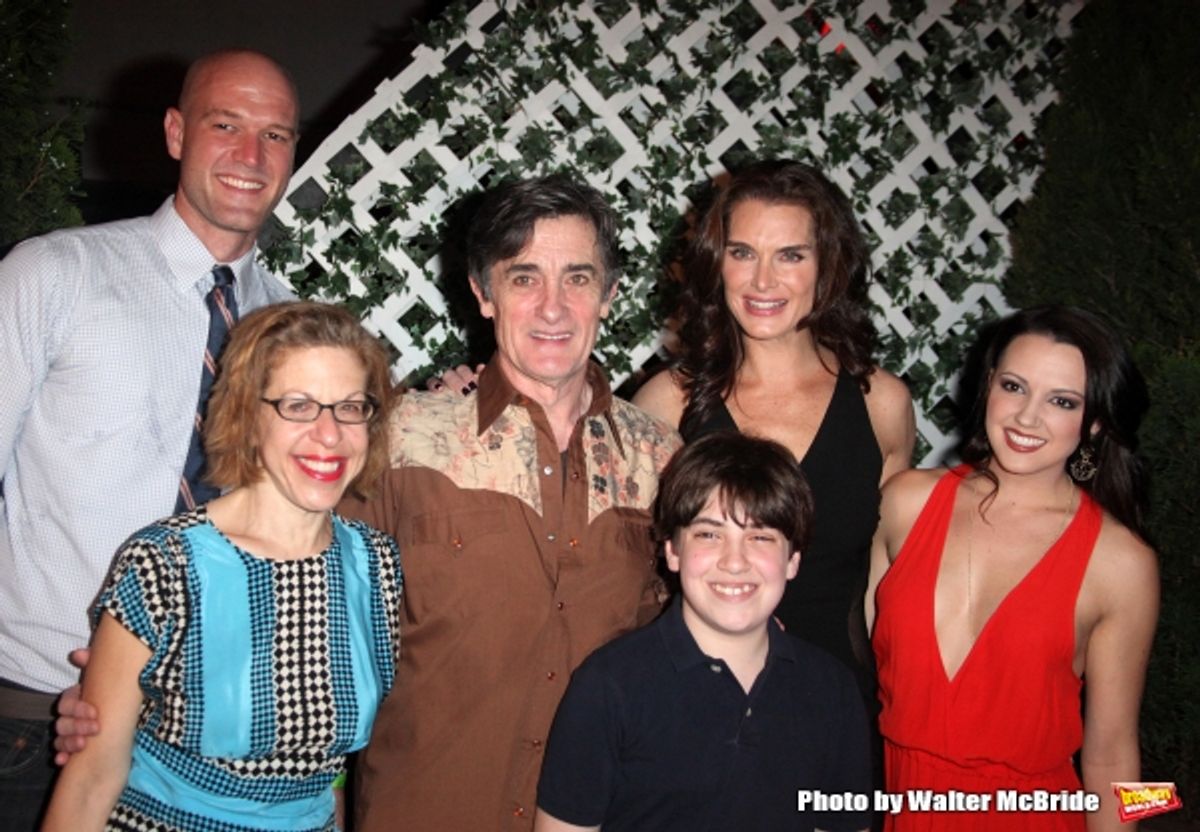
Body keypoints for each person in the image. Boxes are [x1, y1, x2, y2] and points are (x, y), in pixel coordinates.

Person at [0, 49, 297, 827]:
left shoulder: (290, 328)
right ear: (174, 133)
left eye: (274, 135)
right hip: (34, 723)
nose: (251, 155)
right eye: (225, 125)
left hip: (202, 740)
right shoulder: (53, 275)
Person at [337, 174, 682, 830]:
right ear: (483, 293)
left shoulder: (662, 461)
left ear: (608, 294)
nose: (553, 308)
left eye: (577, 278)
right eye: (524, 277)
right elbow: (319, 627)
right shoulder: (402, 438)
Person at [42, 301, 402, 830]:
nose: (329, 434)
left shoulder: (376, 564)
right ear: (248, 416)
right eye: (298, 406)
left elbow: (329, 770)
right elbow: (92, 778)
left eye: (350, 407)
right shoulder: (165, 562)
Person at [867, 305, 1158, 831]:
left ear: (1095, 422)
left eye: (1062, 401)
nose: (1027, 417)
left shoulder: (1120, 563)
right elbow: (860, 666)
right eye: (1014, 387)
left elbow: (1114, 757)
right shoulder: (904, 503)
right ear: (988, 386)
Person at [631, 159, 914, 698]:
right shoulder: (668, 404)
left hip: (839, 702)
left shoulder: (881, 404)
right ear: (716, 263)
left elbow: (886, 589)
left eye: (790, 255)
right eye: (742, 253)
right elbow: (638, 575)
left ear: (827, 266)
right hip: (694, 700)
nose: (762, 280)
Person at [534, 432, 871, 832]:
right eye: (709, 534)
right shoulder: (609, 685)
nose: (734, 562)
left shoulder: (832, 689)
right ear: (672, 551)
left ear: (793, 559)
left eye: (760, 537)